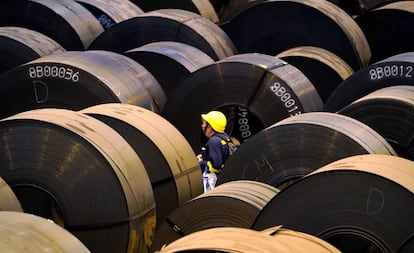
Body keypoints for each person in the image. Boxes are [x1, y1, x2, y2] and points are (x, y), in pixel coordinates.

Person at [197, 110, 231, 192]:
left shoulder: (213, 141)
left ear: (210, 127)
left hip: (213, 180)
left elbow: (216, 165)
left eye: (205, 124)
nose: (202, 126)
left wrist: (200, 162)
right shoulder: (225, 138)